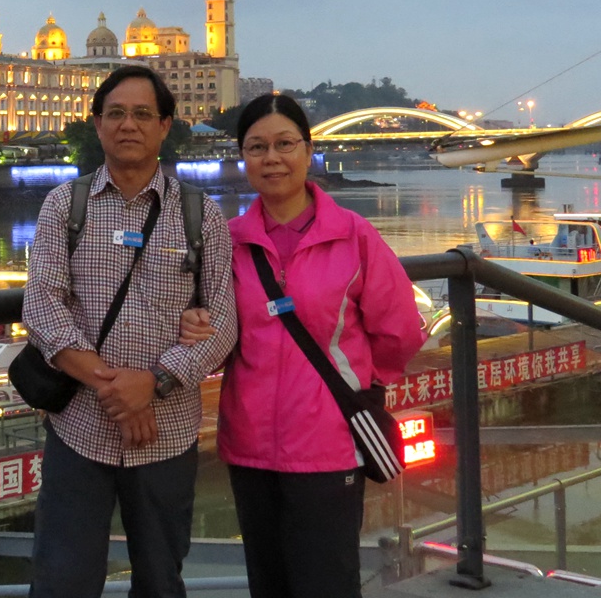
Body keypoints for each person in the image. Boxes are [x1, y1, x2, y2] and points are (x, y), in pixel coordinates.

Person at [181, 94, 425, 598]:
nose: (272, 158)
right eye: (257, 147)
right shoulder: (228, 242)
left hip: (329, 444)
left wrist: (361, 386)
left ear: (308, 150)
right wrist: (195, 324)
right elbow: (216, 332)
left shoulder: (353, 236)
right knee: (267, 582)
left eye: (285, 144)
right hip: (249, 444)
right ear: (243, 158)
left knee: (327, 582)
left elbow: (399, 330)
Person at [22, 65, 237, 598]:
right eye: (115, 113)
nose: (128, 124)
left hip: (167, 434)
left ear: (165, 126)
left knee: (161, 581)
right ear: (97, 124)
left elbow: (223, 323)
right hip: (78, 431)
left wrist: (155, 382)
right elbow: (43, 308)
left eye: (143, 114)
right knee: (62, 582)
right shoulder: (64, 206)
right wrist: (119, 390)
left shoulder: (200, 215)